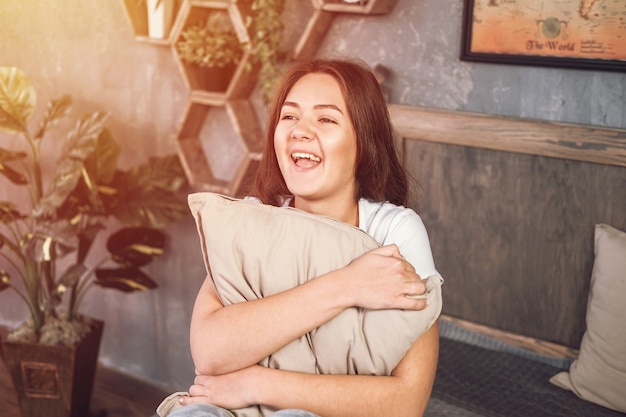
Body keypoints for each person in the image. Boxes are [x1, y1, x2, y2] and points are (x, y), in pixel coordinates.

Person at [167, 57, 441, 417]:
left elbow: (407, 403)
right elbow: (209, 353)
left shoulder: (393, 231)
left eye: (326, 119)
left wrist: (258, 383)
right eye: (289, 116)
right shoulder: (255, 218)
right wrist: (347, 285)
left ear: (364, 141)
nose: (300, 130)